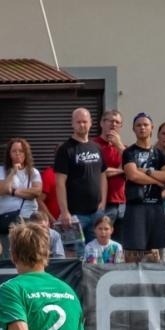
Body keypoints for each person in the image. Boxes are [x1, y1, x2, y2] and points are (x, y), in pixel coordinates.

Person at [52, 107, 106, 259]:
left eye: (85, 121)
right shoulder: (65, 149)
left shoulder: (97, 147)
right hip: (75, 216)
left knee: (96, 257)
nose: (82, 125)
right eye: (78, 122)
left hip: (96, 213)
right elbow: (60, 183)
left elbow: (103, 175)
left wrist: (103, 201)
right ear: (72, 124)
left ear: (91, 123)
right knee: (76, 257)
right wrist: (64, 211)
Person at [120, 113, 165, 262]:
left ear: (152, 128)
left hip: (155, 206)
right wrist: (156, 181)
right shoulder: (129, 152)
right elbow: (133, 175)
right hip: (136, 207)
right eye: (138, 125)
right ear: (133, 129)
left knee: (154, 253)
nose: (142, 128)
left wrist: (146, 171)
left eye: (145, 125)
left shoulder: (159, 154)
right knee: (133, 252)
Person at [0, 137, 42, 239]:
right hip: (8, 218)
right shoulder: (0, 170)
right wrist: (12, 172)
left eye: (21, 151)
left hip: (29, 217)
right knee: (8, 248)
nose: (18, 153)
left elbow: (36, 192)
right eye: (14, 151)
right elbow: (1, 190)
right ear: (9, 154)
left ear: (26, 153)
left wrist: (14, 191)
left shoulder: (33, 172)